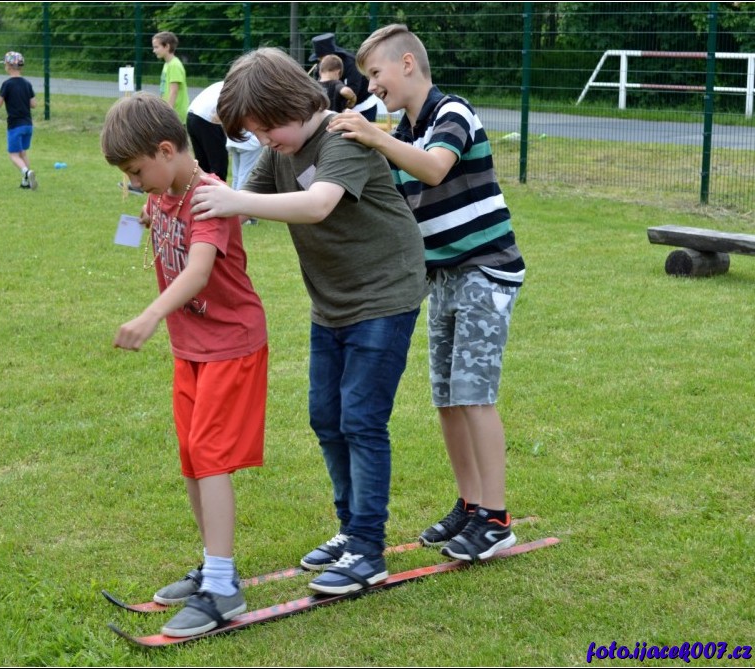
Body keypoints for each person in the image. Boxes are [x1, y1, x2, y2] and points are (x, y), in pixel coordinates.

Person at [191, 47, 428, 596]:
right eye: (254, 134)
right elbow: (243, 205)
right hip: (332, 302)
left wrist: (230, 201)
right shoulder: (281, 151)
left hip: (385, 294)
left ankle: (368, 549)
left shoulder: (345, 136)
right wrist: (190, 204)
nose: (263, 142)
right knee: (326, 416)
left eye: (265, 128)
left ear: (290, 105)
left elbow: (318, 203)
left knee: (362, 419)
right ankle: (350, 530)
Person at [327, 24, 526, 563]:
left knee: (473, 394)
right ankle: (470, 503)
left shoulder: (451, 114)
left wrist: (375, 136)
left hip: (486, 270)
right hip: (441, 277)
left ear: (408, 64)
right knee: (447, 398)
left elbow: (436, 169)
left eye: (375, 74)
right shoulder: (404, 129)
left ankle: (497, 519)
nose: (371, 87)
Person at [99, 92, 269, 637]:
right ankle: (212, 566)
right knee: (194, 458)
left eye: (136, 170)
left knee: (213, 458)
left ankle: (223, 589)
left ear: (167, 150)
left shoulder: (208, 197)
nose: (133, 182)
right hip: (192, 349)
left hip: (231, 345)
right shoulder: (163, 194)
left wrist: (149, 316)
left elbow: (197, 273)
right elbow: (151, 218)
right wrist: (137, 223)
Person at [309, 33, 378, 121]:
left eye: (323, 59)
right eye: (320, 60)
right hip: (337, 110)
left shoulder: (351, 64)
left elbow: (353, 90)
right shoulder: (321, 66)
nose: (322, 63)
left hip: (362, 106)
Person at [0, 51, 37, 190]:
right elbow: (34, 104)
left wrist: (2, 96)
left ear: (8, 66)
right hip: (28, 125)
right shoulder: (27, 83)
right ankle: (26, 182)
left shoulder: (7, 84)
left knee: (13, 155)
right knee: (22, 152)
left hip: (15, 126)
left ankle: (26, 172)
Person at [186, 81, 229, 181]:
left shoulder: (224, 83)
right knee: (219, 164)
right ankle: (218, 193)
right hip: (206, 118)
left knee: (203, 164)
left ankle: (201, 192)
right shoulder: (237, 86)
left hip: (192, 115)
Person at [225, 131, 262, 225]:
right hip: (249, 142)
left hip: (234, 139)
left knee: (237, 177)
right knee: (245, 176)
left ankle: (232, 210)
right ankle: (241, 213)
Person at [152, 31, 189, 123]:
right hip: (169, 112)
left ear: (167, 46)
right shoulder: (167, 64)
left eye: (156, 47)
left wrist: (168, 113)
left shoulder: (174, 65)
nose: (154, 50)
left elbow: (174, 91)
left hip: (176, 114)